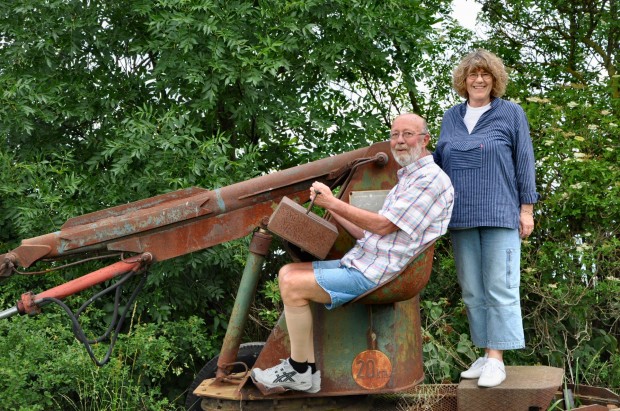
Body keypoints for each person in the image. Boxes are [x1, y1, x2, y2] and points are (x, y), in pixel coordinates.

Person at [251, 113, 454, 393]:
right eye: (394, 135)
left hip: (378, 274)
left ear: (425, 139)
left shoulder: (429, 180)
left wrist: (334, 201)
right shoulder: (408, 179)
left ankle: (299, 371)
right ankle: (305, 371)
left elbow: (382, 225)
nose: (399, 141)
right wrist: (331, 208)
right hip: (366, 262)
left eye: (408, 134)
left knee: (292, 284)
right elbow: (368, 234)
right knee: (287, 273)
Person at [433, 49, 539, 388]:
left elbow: (524, 161)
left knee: (500, 286)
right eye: (472, 75)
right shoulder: (451, 117)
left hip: (500, 214)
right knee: (473, 291)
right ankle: (484, 352)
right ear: (463, 81)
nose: (479, 80)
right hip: (461, 217)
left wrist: (527, 209)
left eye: (485, 74)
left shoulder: (510, 113)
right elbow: (437, 163)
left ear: (495, 80)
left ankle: (497, 358)